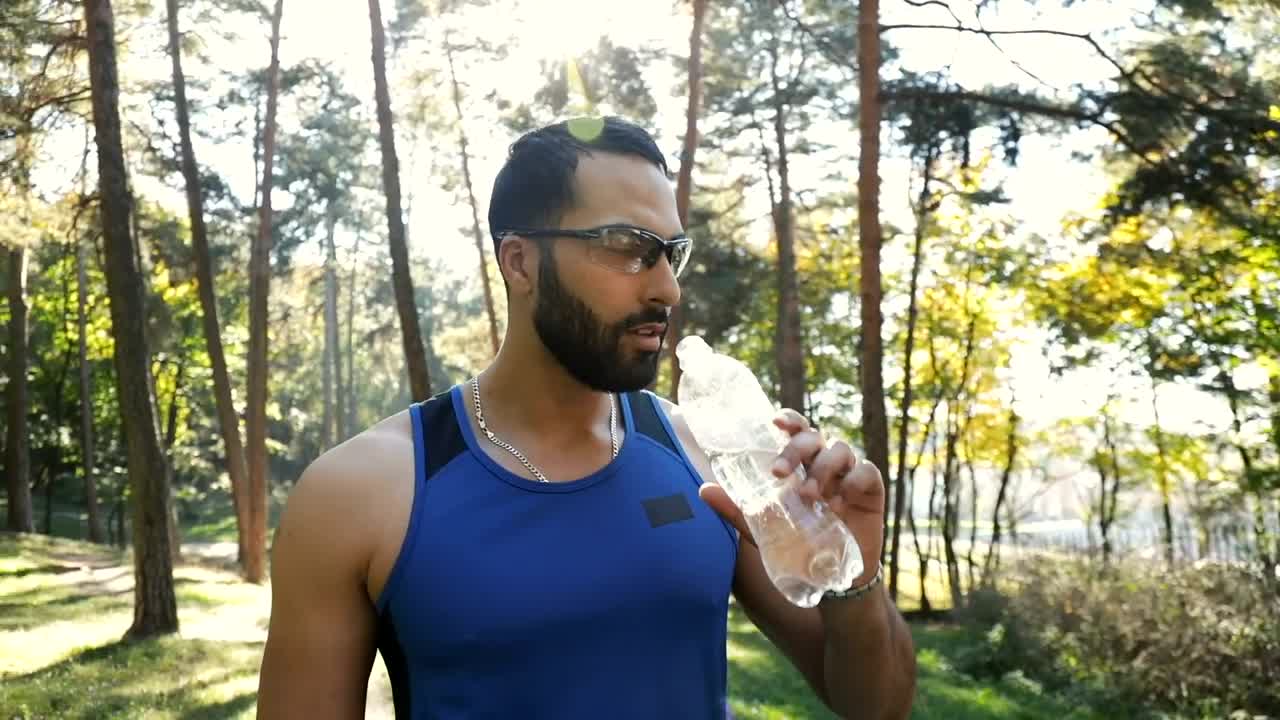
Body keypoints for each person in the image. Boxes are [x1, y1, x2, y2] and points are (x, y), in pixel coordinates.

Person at [257, 116, 916, 719]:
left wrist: (853, 577)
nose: (667, 288)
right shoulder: (360, 492)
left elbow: (875, 708)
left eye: (670, 253)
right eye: (629, 247)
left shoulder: (704, 455)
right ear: (520, 261)